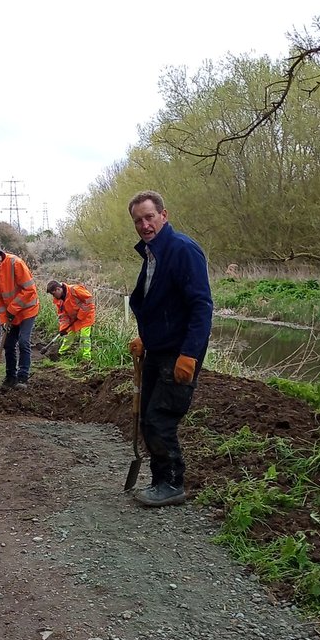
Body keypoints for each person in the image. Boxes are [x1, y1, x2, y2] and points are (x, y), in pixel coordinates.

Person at [127, 190, 213, 507]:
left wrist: (189, 355)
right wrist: (145, 338)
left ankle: (173, 483)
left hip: (178, 352)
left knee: (160, 418)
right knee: (148, 418)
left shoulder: (182, 250)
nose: (144, 225)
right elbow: (159, 303)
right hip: (158, 349)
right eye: (138, 220)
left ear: (164, 215)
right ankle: (160, 479)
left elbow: (201, 306)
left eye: (149, 217)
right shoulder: (153, 254)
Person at [0, 245, 40, 388]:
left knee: (23, 341)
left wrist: (12, 309)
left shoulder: (15, 263)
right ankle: (10, 377)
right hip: (11, 314)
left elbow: (29, 289)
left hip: (27, 310)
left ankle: (22, 377)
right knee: (8, 344)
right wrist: (4, 319)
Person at [46, 280, 95, 361]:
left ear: (58, 289)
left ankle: (86, 358)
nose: (53, 296)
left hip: (86, 315)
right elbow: (62, 315)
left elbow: (89, 299)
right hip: (73, 318)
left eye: (53, 294)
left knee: (84, 336)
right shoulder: (58, 300)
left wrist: (81, 314)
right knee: (69, 335)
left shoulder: (74, 290)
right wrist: (63, 328)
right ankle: (61, 353)